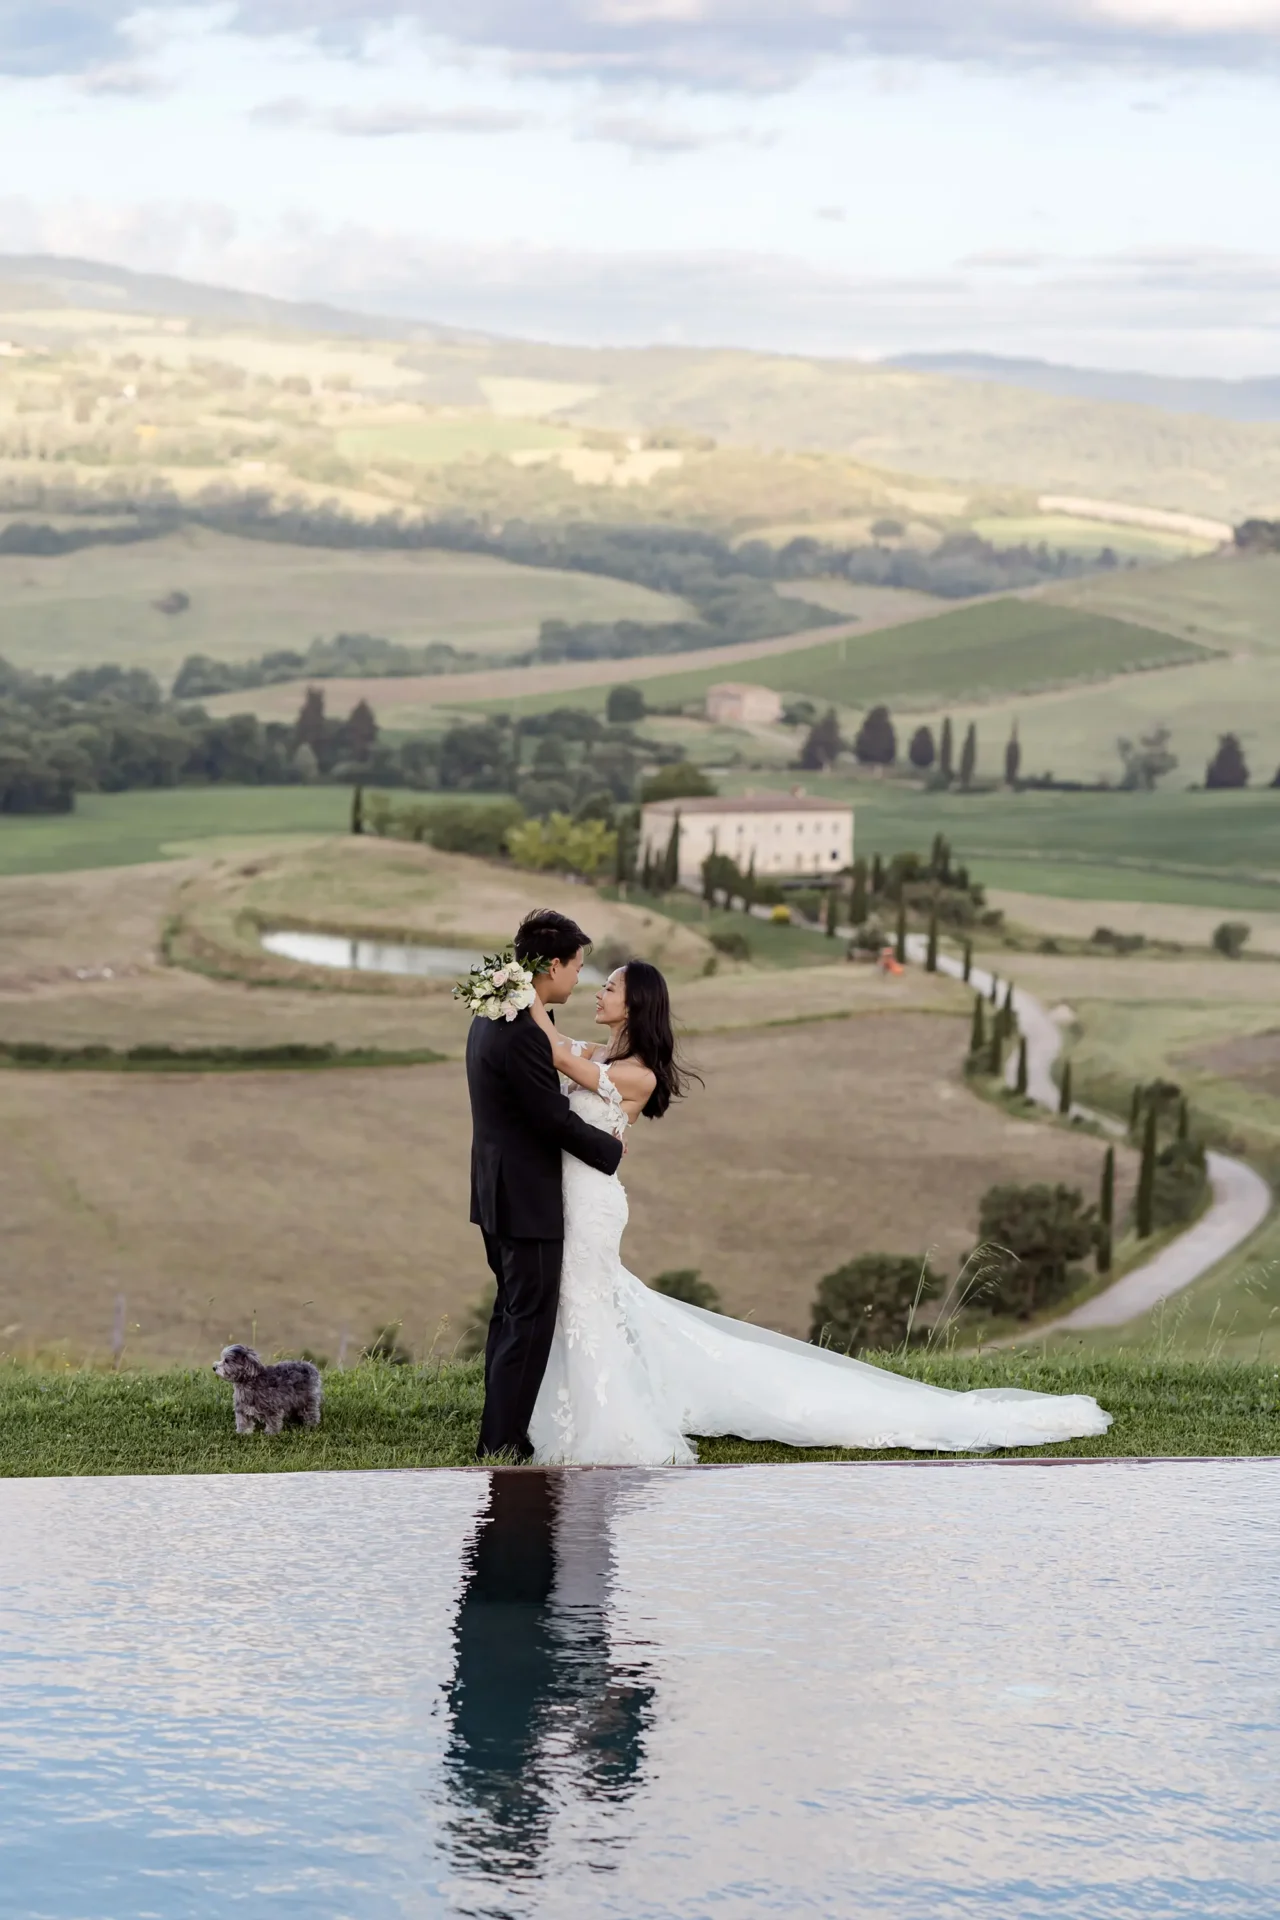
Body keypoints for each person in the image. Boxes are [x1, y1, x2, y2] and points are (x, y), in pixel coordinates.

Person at [522, 956, 1113, 1464]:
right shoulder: (606, 1054)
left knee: (587, 1301)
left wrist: (512, 992)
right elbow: (558, 1043)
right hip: (576, 1197)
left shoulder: (637, 1074)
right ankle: (581, 1404)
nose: (598, 993)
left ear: (634, 1005)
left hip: (593, 1206)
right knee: (587, 1304)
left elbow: (556, 1056)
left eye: (609, 988)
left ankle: (607, 1421)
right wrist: (524, 998)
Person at [465, 908, 623, 1460]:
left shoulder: (494, 1012)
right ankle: (502, 1442)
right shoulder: (522, 1033)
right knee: (528, 1321)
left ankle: (499, 1428)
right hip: (526, 1199)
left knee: (511, 1313)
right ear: (552, 965)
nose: (579, 978)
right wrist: (610, 1149)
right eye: (577, 966)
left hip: (495, 1191)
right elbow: (549, 1119)